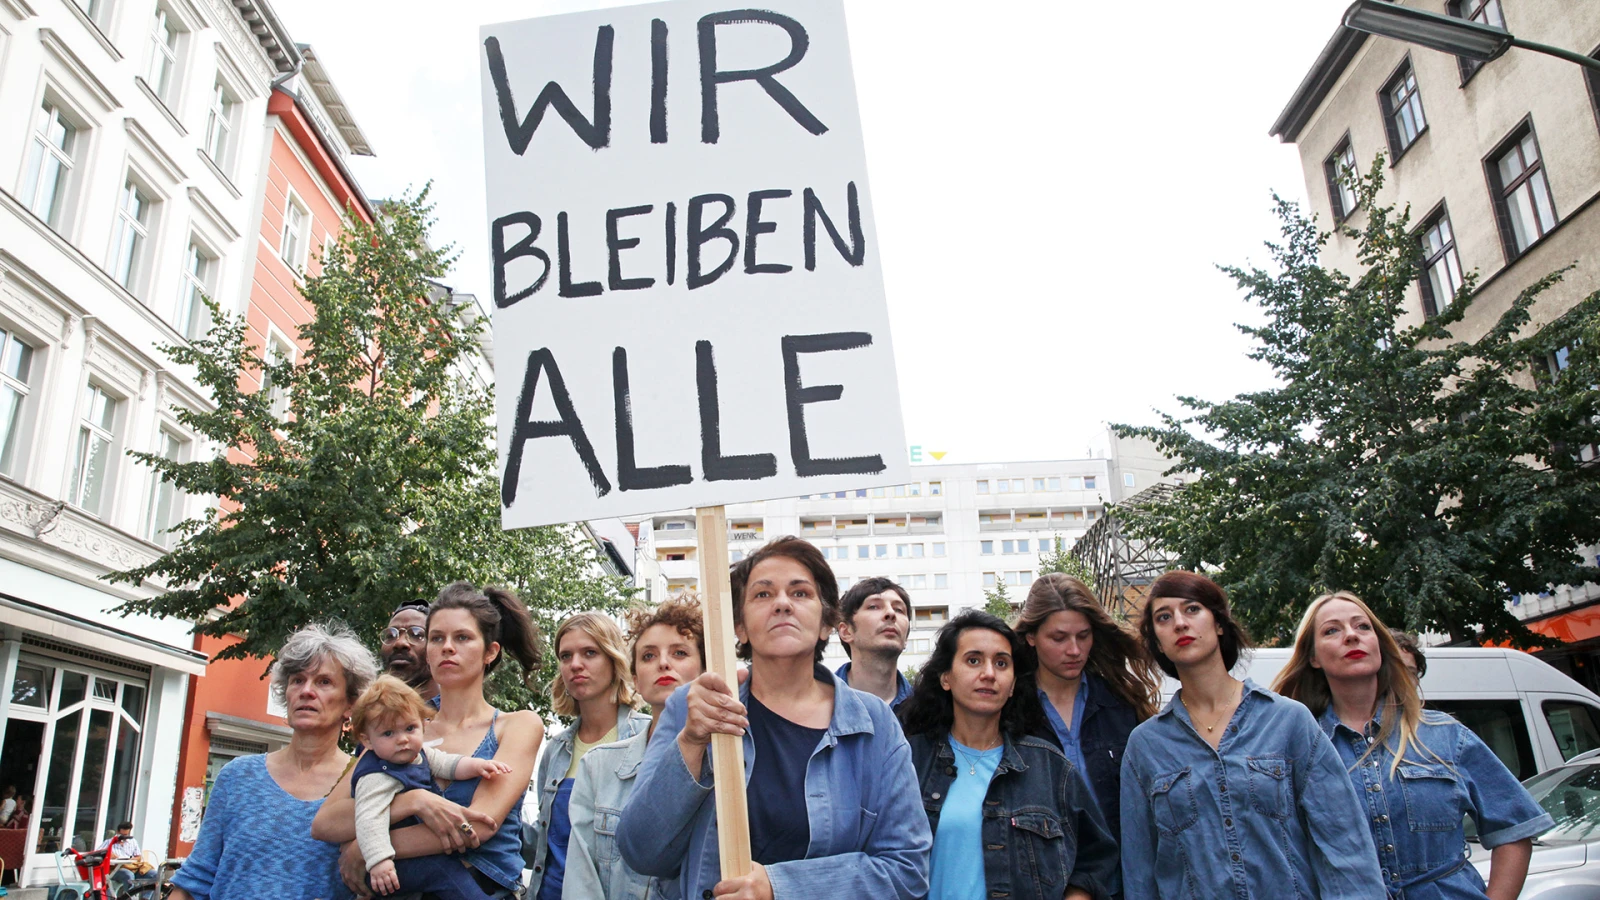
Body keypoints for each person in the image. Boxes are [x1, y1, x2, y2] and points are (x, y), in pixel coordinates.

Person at [617, 536, 931, 900]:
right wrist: (690, 742)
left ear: (828, 623)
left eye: (800, 593)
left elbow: (907, 871)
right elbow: (640, 853)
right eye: (763, 595)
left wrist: (779, 887)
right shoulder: (696, 705)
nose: (782, 603)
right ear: (740, 628)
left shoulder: (874, 723)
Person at [1119, 571, 1385, 899]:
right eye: (1164, 617)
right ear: (1157, 641)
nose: (1179, 623)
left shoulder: (1288, 721)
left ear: (1218, 623)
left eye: (1192, 609)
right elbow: (1140, 871)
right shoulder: (1146, 746)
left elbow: (1345, 844)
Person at [1273, 591, 1551, 899]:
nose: (1351, 636)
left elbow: (1514, 828)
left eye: (1362, 627)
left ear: (1379, 644)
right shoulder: (1298, 748)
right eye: (1331, 630)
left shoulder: (1444, 735)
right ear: (1312, 657)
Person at [314, 582, 546, 899]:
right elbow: (326, 823)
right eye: (437, 638)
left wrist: (367, 847)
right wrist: (412, 802)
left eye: (462, 637)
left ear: (490, 652)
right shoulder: (396, 725)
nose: (447, 647)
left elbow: (479, 825)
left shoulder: (518, 725)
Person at [902, 609, 1119, 900]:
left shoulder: (1050, 767)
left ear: (1014, 684)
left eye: (1001, 663)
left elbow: (1096, 858)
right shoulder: (908, 761)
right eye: (973, 660)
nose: (989, 674)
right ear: (945, 678)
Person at [169, 622, 379, 900]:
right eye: (297, 680)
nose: (306, 691)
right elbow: (196, 879)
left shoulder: (365, 781)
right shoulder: (237, 777)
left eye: (324, 682)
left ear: (351, 704)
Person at [566, 596, 707, 900]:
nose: (663, 663)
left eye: (680, 652)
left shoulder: (733, 762)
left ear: (705, 669)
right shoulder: (598, 766)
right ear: (634, 678)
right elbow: (581, 880)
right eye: (648, 656)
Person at [1014, 573, 1159, 840]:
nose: (1074, 650)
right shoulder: (1009, 712)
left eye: (1083, 636)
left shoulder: (1121, 704)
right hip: (1046, 874)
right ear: (1031, 636)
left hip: (1123, 872)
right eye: (1059, 638)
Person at [346, 675, 513, 898]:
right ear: (367, 741)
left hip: (406, 858)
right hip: (386, 866)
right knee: (443, 871)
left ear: (423, 725)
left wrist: (478, 765)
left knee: (445, 869)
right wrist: (379, 861)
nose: (402, 739)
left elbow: (447, 764)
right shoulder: (376, 775)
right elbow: (369, 819)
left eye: (410, 728)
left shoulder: (418, 755)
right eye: (388, 733)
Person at [526, 612, 651, 900]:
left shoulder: (648, 739)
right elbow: (543, 841)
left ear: (614, 659)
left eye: (590, 653)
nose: (575, 665)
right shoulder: (555, 749)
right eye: (565, 656)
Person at [834, 577, 915, 710]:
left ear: (906, 638)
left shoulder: (928, 712)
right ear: (846, 631)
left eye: (899, 609)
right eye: (873, 607)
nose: (890, 613)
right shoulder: (817, 705)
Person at [381, 599, 437, 703]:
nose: (400, 643)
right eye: (391, 635)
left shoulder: (462, 714)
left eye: (416, 635)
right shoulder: (368, 715)